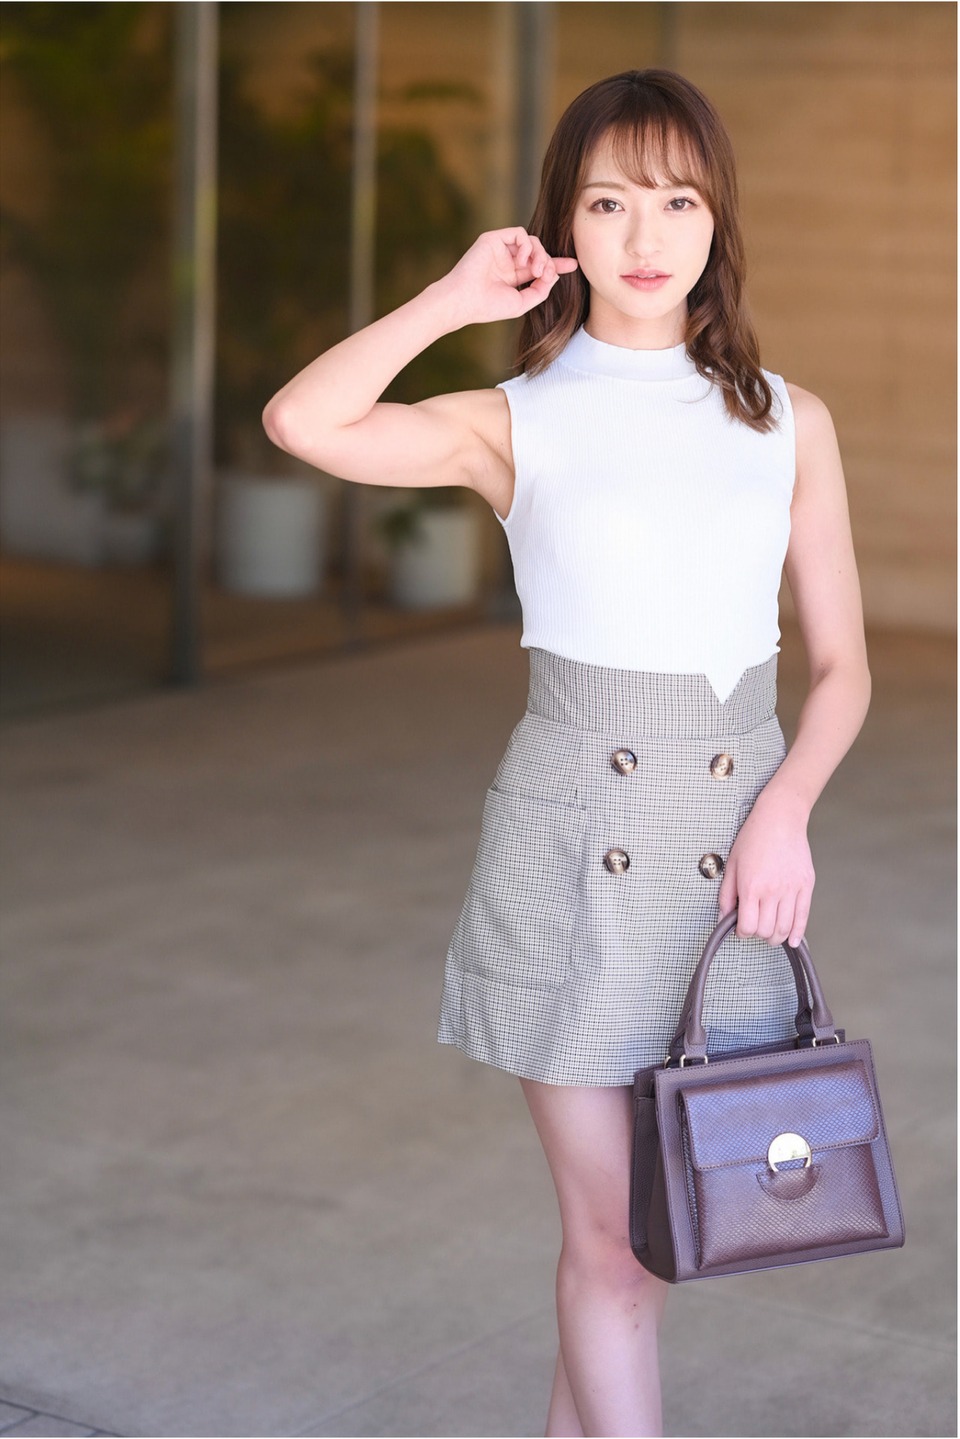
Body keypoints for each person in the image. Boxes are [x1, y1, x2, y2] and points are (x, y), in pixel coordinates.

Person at [263, 68, 870, 1439]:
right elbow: (302, 423)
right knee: (615, 1245)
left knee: (658, 1242)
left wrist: (786, 812)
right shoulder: (513, 417)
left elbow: (844, 666)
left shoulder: (789, 420)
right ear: (561, 225)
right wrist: (451, 301)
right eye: (607, 203)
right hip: (571, 855)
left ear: (719, 222)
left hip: (733, 865)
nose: (645, 237)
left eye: (678, 202)